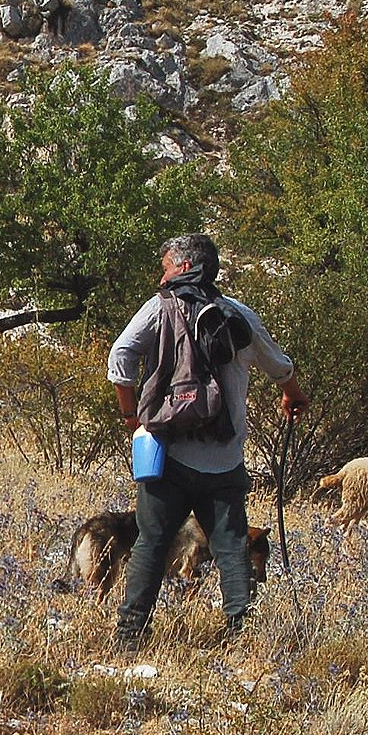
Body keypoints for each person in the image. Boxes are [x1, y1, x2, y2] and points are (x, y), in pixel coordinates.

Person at [107, 233, 308, 649]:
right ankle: (242, 635)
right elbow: (278, 364)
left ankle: (130, 637)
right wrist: (293, 393)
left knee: (152, 542)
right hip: (224, 460)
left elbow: (121, 355)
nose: (161, 275)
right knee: (232, 545)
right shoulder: (237, 314)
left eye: (165, 266)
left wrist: (131, 415)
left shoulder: (158, 309)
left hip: (168, 456)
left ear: (183, 267)